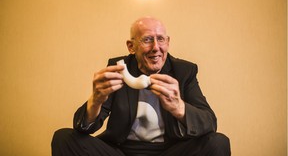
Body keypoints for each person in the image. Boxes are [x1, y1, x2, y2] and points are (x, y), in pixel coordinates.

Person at [51, 16, 231, 156]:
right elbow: (84, 127)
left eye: (160, 39)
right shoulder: (118, 69)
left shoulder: (184, 71)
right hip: (121, 151)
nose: (156, 47)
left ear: (168, 42)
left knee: (218, 142)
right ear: (131, 46)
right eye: (147, 39)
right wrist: (95, 101)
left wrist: (179, 107)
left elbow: (209, 123)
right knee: (63, 138)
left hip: (169, 151)